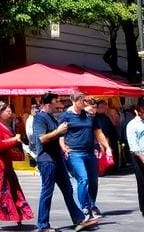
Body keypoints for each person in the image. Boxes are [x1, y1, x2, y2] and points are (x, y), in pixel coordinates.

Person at [34, 93, 94, 232]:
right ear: (48, 104)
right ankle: (43, 225)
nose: (59, 104)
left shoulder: (52, 117)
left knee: (68, 189)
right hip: (46, 160)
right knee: (47, 191)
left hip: (57, 159)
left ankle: (78, 219)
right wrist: (58, 131)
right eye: (57, 102)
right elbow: (42, 139)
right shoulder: (40, 118)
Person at [0, 102, 33, 232]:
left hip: (6, 161)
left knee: (12, 188)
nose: (9, 112)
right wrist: (14, 139)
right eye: (6, 110)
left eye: (9, 109)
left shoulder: (5, 125)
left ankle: (18, 215)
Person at [59, 93, 111, 221]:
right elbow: (61, 134)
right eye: (81, 100)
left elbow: (98, 133)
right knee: (83, 179)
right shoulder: (66, 116)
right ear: (74, 101)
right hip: (75, 153)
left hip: (90, 152)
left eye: (84, 100)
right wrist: (63, 146)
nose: (83, 103)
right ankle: (85, 208)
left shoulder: (89, 116)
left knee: (93, 181)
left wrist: (107, 147)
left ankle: (92, 204)